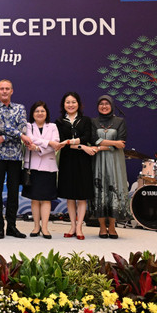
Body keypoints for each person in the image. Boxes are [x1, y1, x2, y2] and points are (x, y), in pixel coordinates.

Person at [0, 79, 32, 239]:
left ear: (12, 91)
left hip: (15, 157)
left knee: (13, 192)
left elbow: (23, 127)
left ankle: (11, 226)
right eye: (1, 89)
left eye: (7, 89)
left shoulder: (20, 108)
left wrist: (4, 138)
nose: (4, 91)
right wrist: (19, 135)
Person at [54, 92, 96, 240]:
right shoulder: (59, 122)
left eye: (73, 102)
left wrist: (73, 142)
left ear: (78, 104)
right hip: (67, 160)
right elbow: (62, 142)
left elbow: (87, 137)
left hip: (83, 162)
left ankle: (79, 227)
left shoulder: (86, 120)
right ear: (63, 105)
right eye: (67, 102)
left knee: (82, 196)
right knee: (70, 196)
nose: (70, 105)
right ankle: (72, 225)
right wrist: (82, 146)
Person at [91, 95, 129, 239]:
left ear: (112, 105)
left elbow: (122, 142)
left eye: (107, 104)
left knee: (114, 189)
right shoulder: (93, 121)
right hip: (98, 160)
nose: (104, 106)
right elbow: (93, 140)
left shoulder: (120, 121)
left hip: (115, 161)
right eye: (101, 104)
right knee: (100, 189)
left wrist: (102, 143)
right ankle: (101, 227)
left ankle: (112, 226)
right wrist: (113, 143)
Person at [23, 101, 60, 239]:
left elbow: (56, 144)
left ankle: (45, 227)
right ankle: (36, 226)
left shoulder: (53, 126)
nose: (40, 113)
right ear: (32, 114)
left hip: (48, 167)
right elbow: (30, 139)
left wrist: (38, 147)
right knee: (34, 198)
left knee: (46, 199)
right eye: (37, 111)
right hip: (32, 166)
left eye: (42, 111)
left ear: (47, 113)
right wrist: (48, 142)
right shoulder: (28, 126)